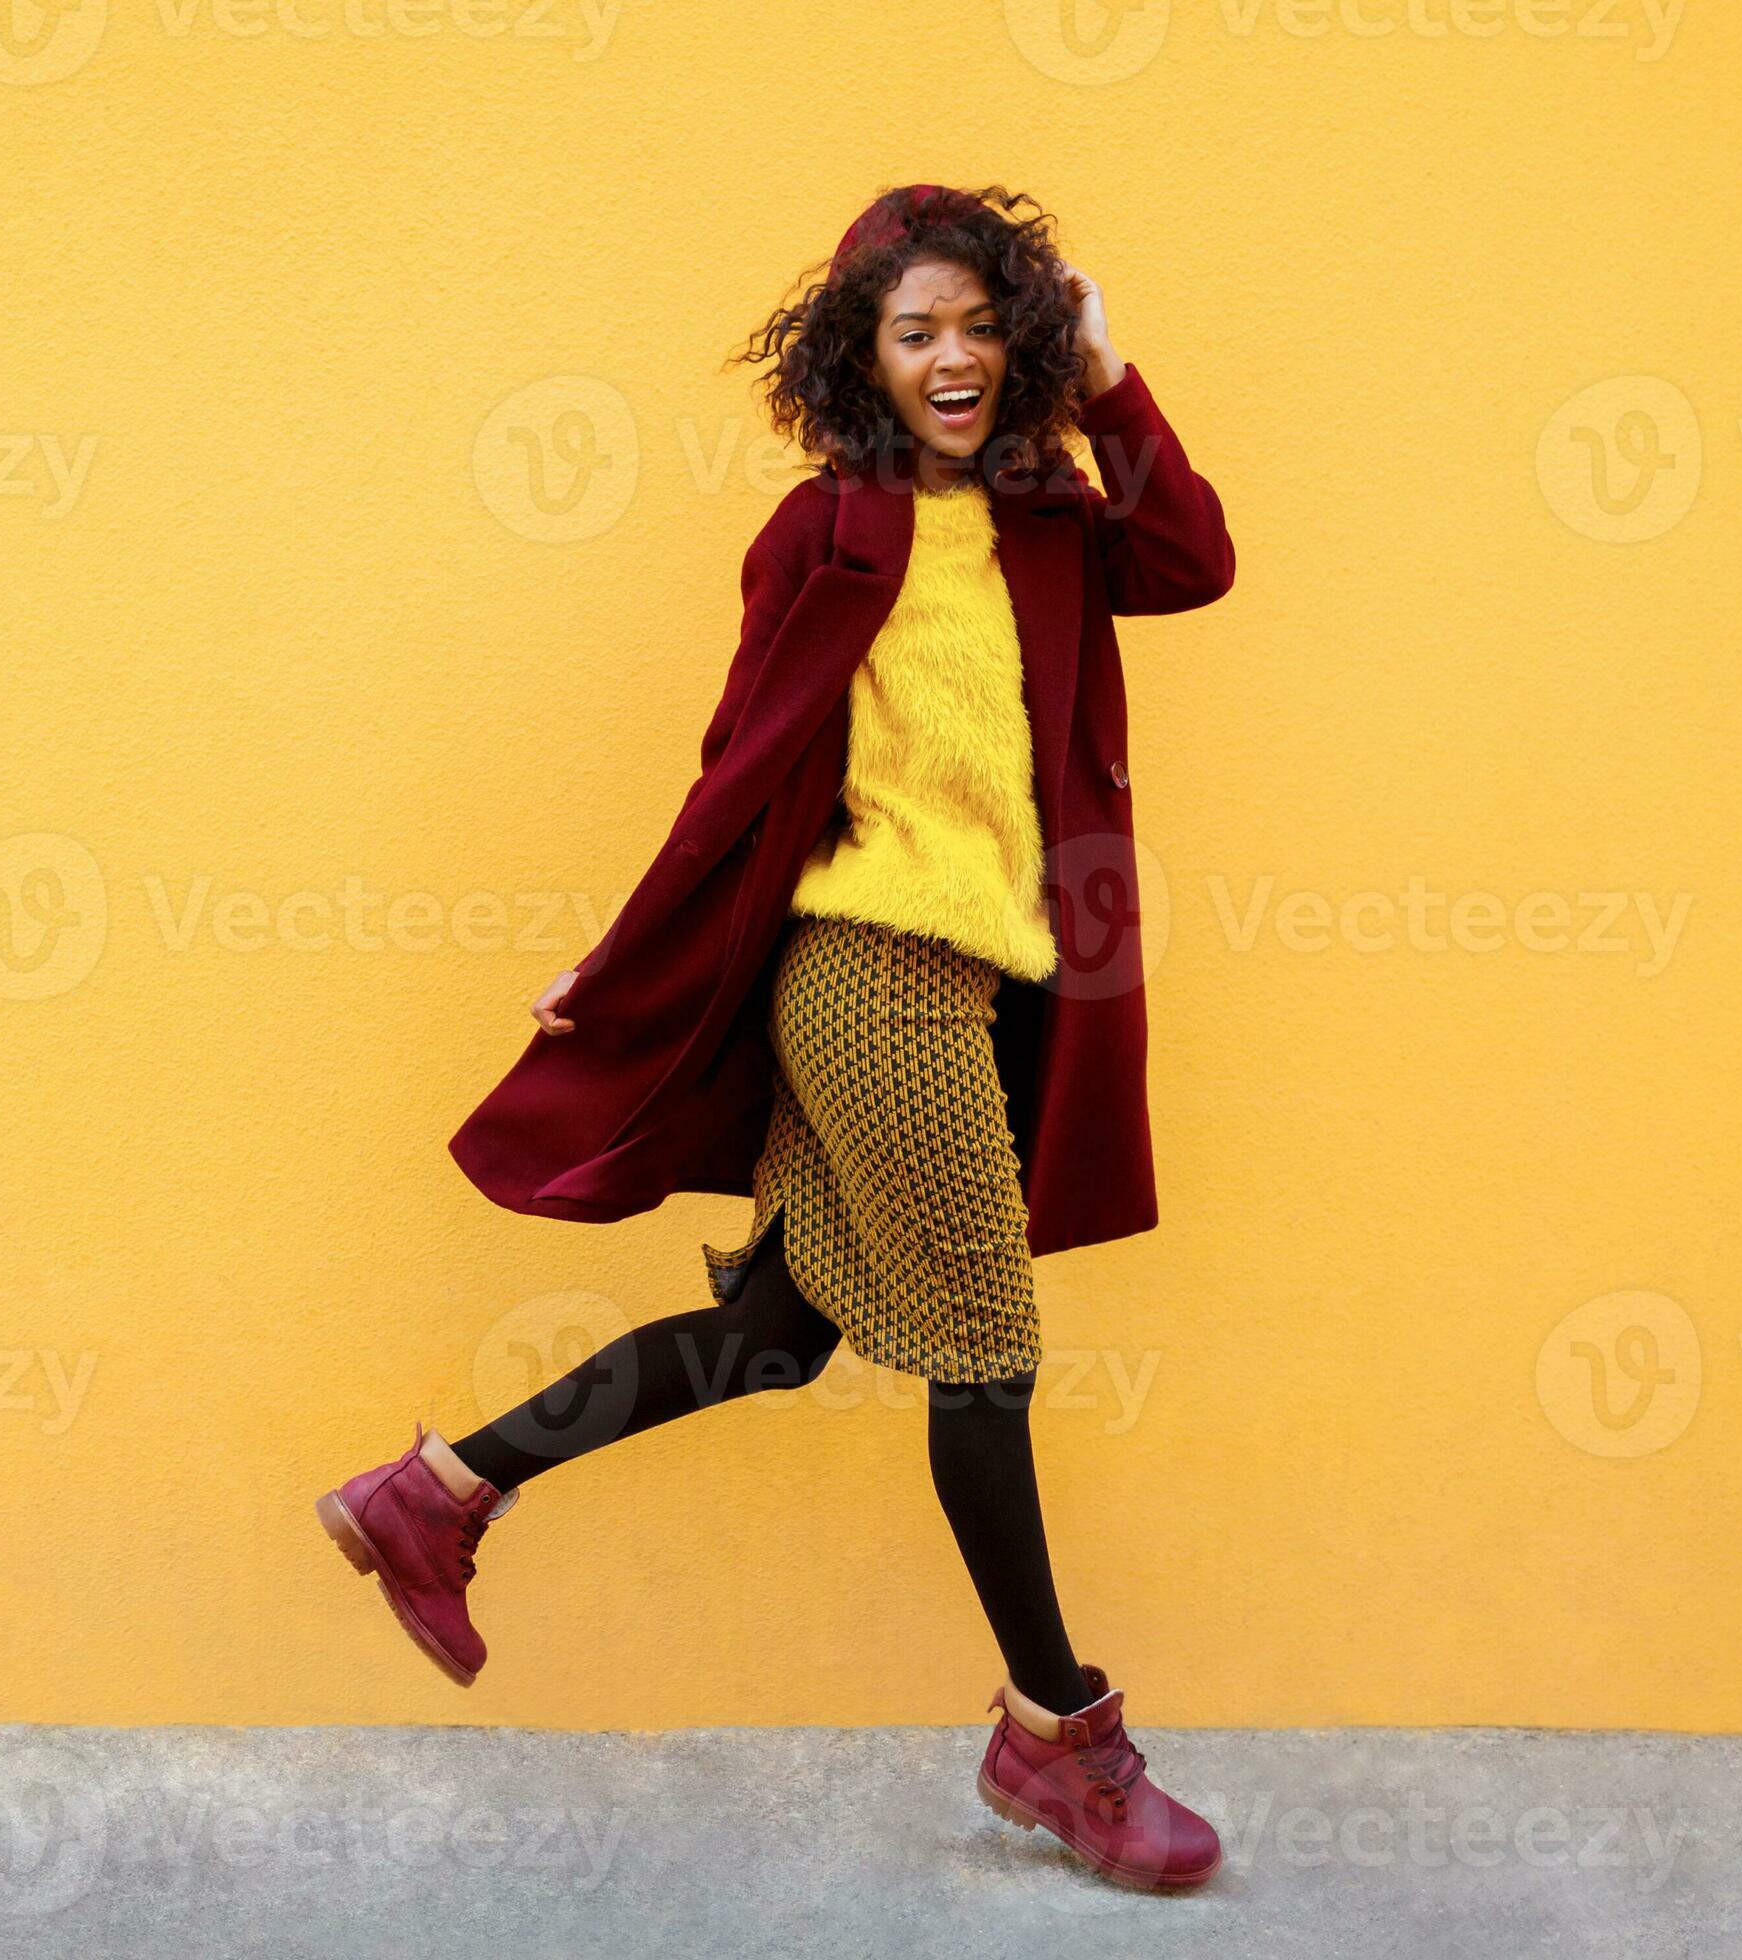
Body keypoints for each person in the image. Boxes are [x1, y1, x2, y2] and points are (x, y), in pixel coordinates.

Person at [319, 182, 1239, 1894]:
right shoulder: (822, 535)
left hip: (975, 979)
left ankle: (437, 1493)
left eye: (981, 327)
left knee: (784, 1337)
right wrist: (624, 960)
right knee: (986, 1347)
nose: (952, 359)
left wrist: (1112, 384)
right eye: (915, 335)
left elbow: (1193, 562)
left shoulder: (1049, 517)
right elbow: (737, 768)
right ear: (862, 362)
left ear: (1018, 339)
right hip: (869, 970)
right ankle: (1061, 1742)